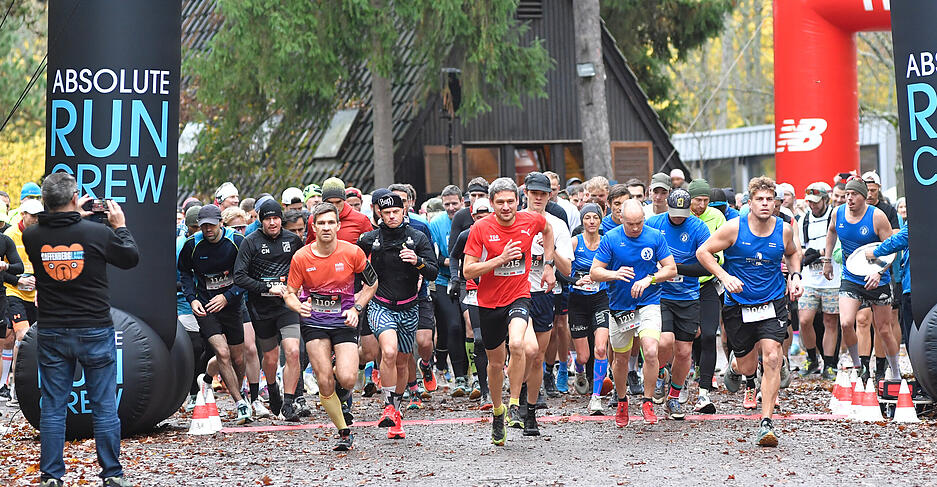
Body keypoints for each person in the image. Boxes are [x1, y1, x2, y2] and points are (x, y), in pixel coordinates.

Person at [23, 172, 138, 487]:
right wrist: (120, 225)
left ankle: (51, 476)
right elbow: (130, 257)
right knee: (103, 405)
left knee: (54, 407)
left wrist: (74, 217)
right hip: (94, 329)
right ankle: (112, 475)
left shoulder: (31, 238)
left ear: (45, 202)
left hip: (52, 331)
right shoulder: (96, 233)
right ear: (75, 198)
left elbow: (56, 230)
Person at [697, 176, 803, 447]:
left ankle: (766, 421)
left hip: (772, 302)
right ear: (750, 202)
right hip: (739, 306)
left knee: (772, 358)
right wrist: (723, 276)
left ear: (776, 203)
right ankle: (735, 365)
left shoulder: (783, 230)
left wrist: (795, 275)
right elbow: (703, 252)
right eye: (760, 199)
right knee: (747, 366)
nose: (765, 204)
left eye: (770, 200)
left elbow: (793, 253)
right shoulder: (734, 228)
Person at [463, 177, 555, 444]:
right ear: (491, 204)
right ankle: (497, 411)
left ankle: (515, 402)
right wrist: (500, 259)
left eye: (510, 201)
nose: (506, 207)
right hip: (489, 302)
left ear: (519, 201)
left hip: (519, 295)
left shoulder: (531, 220)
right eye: (500, 202)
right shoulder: (481, 228)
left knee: (520, 344)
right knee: (494, 363)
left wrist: (548, 264)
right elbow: (468, 270)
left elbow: (547, 230)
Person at [284, 203, 378, 450]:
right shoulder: (302, 257)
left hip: (344, 321)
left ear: (338, 225)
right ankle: (344, 431)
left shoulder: (352, 252)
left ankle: (343, 395)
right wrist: (297, 306)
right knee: (324, 380)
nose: (326, 227)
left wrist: (356, 308)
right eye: (321, 223)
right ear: (313, 227)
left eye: (330, 223)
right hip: (314, 322)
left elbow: (372, 283)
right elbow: (290, 292)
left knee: (346, 378)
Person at [358, 192, 437, 439]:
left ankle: (396, 410)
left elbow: (433, 272)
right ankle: (388, 405)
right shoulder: (370, 239)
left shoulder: (417, 237)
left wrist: (417, 261)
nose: (392, 216)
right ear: (379, 214)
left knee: (403, 361)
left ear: (404, 211)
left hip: (410, 306)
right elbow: (352, 264)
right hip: (381, 304)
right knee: (389, 351)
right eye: (387, 212)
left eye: (396, 212)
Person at [591, 199, 676, 427]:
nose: (635, 228)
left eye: (639, 223)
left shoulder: (655, 237)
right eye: (630, 224)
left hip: (648, 302)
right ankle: (622, 401)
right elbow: (594, 272)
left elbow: (671, 268)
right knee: (620, 358)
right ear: (621, 220)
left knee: (650, 350)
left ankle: (647, 401)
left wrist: (651, 278)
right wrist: (614, 274)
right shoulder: (611, 238)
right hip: (620, 307)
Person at [178, 204, 253, 424]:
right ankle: (240, 403)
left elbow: (246, 276)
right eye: (203, 226)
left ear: (221, 222)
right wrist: (192, 299)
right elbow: (184, 272)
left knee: (238, 358)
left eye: (211, 224)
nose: (208, 229)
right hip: (206, 306)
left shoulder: (237, 242)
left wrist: (227, 297)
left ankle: (222, 386)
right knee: (222, 353)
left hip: (231, 306)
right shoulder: (192, 245)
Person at [823, 177, 902, 382]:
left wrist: (879, 272)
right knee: (846, 322)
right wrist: (827, 259)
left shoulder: (877, 216)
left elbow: (891, 248)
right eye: (847, 194)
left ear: (864, 197)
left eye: (854, 194)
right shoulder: (837, 213)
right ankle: (859, 367)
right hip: (851, 276)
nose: (849, 198)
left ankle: (895, 372)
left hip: (877, 277)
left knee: (884, 329)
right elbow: (831, 232)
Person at [234, 199, 305, 420]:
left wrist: (298, 290)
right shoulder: (250, 242)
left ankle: (290, 401)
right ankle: (273, 387)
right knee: (271, 357)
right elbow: (239, 276)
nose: (272, 223)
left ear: (281, 220)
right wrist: (266, 287)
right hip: (261, 308)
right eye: (267, 219)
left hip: (287, 305)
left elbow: (304, 266)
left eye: (276, 218)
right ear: (261, 221)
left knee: (293, 351)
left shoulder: (293, 240)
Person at [646, 189, 711, 418]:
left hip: (688, 296)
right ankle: (660, 371)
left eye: (682, 214)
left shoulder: (698, 228)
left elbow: (706, 266)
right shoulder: (654, 224)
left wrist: (673, 269)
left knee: (684, 352)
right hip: (660, 295)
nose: (678, 218)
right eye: (674, 213)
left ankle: (674, 397)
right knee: (664, 341)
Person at [519, 172, 573, 417]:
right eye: (534, 193)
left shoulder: (557, 224)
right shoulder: (515, 220)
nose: (538, 198)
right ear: (526, 193)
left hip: (544, 293)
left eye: (543, 194)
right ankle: (520, 394)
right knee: (525, 348)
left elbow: (567, 269)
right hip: (517, 293)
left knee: (538, 354)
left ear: (550, 195)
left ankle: (529, 394)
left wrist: (548, 250)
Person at [567, 203, 611, 413]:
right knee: (583, 356)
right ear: (582, 221)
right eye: (587, 218)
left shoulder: (606, 242)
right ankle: (579, 370)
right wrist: (577, 279)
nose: (591, 221)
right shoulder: (575, 242)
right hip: (577, 301)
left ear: (601, 220)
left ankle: (596, 397)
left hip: (600, 299)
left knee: (601, 348)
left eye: (595, 217)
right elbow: (564, 269)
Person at [429, 185, 471, 399]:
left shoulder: (468, 218)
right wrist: (452, 262)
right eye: (447, 205)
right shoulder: (436, 224)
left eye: (455, 203)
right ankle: (460, 376)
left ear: (462, 202)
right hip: (444, 280)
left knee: (469, 327)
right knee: (453, 326)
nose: (452, 208)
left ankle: (472, 373)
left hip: (470, 279)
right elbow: (432, 257)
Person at [797, 182, 841, 380]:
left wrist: (822, 253)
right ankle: (812, 357)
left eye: (816, 202)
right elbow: (798, 248)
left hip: (832, 279)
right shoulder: (804, 219)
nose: (813, 206)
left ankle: (830, 364)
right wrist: (808, 254)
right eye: (810, 202)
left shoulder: (835, 215)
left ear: (826, 199)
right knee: (805, 320)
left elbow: (840, 244)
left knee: (830, 321)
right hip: (810, 278)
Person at [1, 198, 39, 404]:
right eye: (32, 216)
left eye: (39, 216)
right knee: (22, 336)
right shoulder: (9, 236)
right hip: (13, 292)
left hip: (36, 294)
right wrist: (18, 280)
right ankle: (15, 388)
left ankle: (32, 384)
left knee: (37, 339)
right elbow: (2, 271)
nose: (36, 220)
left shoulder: (43, 234)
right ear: (23, 214)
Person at [305, 177, 372, 245]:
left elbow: (371, 249)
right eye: (330, 202)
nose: (335, 207)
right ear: (323, 201)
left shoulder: (361, 220)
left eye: (338, 202)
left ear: (344, 200)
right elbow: (309, 248)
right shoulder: (313, 219)